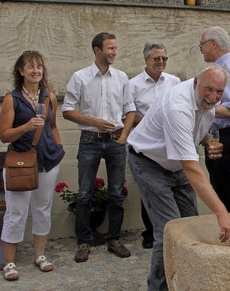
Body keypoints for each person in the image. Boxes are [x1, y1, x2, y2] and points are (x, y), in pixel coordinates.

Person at [127, 65, 230, 290]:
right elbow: (192, 168)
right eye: (209, 89)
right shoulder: (177, 106)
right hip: (149, 162)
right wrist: (222, 214)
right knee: (169, 232)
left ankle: (187, 282)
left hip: (176, 164)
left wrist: (207, 140)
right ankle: (159, 287)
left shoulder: (206, 99)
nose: (213, 97)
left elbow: (194, 129)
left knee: (192, 226)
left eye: (219, 92)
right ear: (195, 83)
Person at [62, 32, 136, 263]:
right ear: (97, 50)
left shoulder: (122, 77)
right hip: (90, 140)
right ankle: (83, 242)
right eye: (110, 48)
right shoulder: (80, 77)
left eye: (115, 48)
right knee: (84, 194)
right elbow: (67, 110)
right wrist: (93, 121)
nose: (114, 52)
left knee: (116, 193)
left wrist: (123, 136)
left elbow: (130, 109)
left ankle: (114, 239)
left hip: (115, 141)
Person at [0, 51, 65, 280]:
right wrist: (26, 127)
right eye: (30, 67)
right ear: (21, 71)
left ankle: (39, 255)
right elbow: (4, 135)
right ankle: (9, 263)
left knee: (42, 209)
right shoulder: (12, 99)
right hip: (20, 164)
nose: (36, 70)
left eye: (39, 66)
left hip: (48, 161)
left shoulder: (49, 97)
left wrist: (58, 146)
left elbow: (53, 126)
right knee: (16, 212)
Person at [129, 41, 182, 249]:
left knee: (169, 188)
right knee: (149, 191)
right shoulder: (133, 84)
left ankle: (173, 230)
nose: (161, 62)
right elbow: (130, 113)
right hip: (147, 146)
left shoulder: (174, 81)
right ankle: (150, 232)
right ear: (146, 60)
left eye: (164, 59)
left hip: (170, 144)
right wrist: (151, 126)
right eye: (156, 59)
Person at [199, 26, 230, 212]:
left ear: (212, 44)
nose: (201, 50)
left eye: (202, 45)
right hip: (215, 136)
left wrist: (200, 105)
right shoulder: (219, 69)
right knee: (219, 189)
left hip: (228, 138)